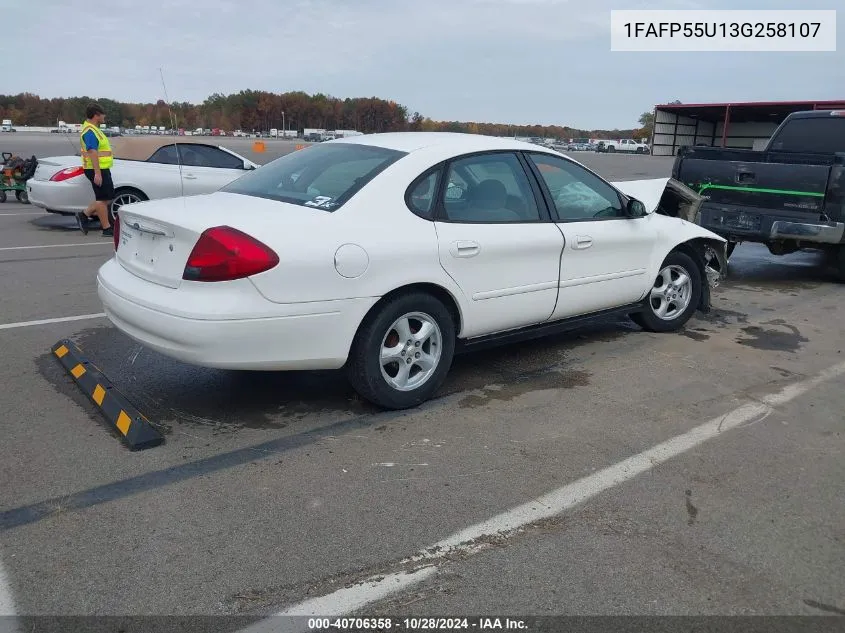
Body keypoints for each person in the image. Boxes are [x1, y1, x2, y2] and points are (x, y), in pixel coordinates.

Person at [75, 103, 114, 236]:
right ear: (96, 115)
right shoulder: (90, 131)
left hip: (101, 168)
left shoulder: (93, 129)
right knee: (102, 199)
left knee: (107, 197)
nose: (104, 116)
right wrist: (97, 173)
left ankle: (84, 215)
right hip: (96, 169)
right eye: (103, 114)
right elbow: (92, 152)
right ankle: (106, 228)